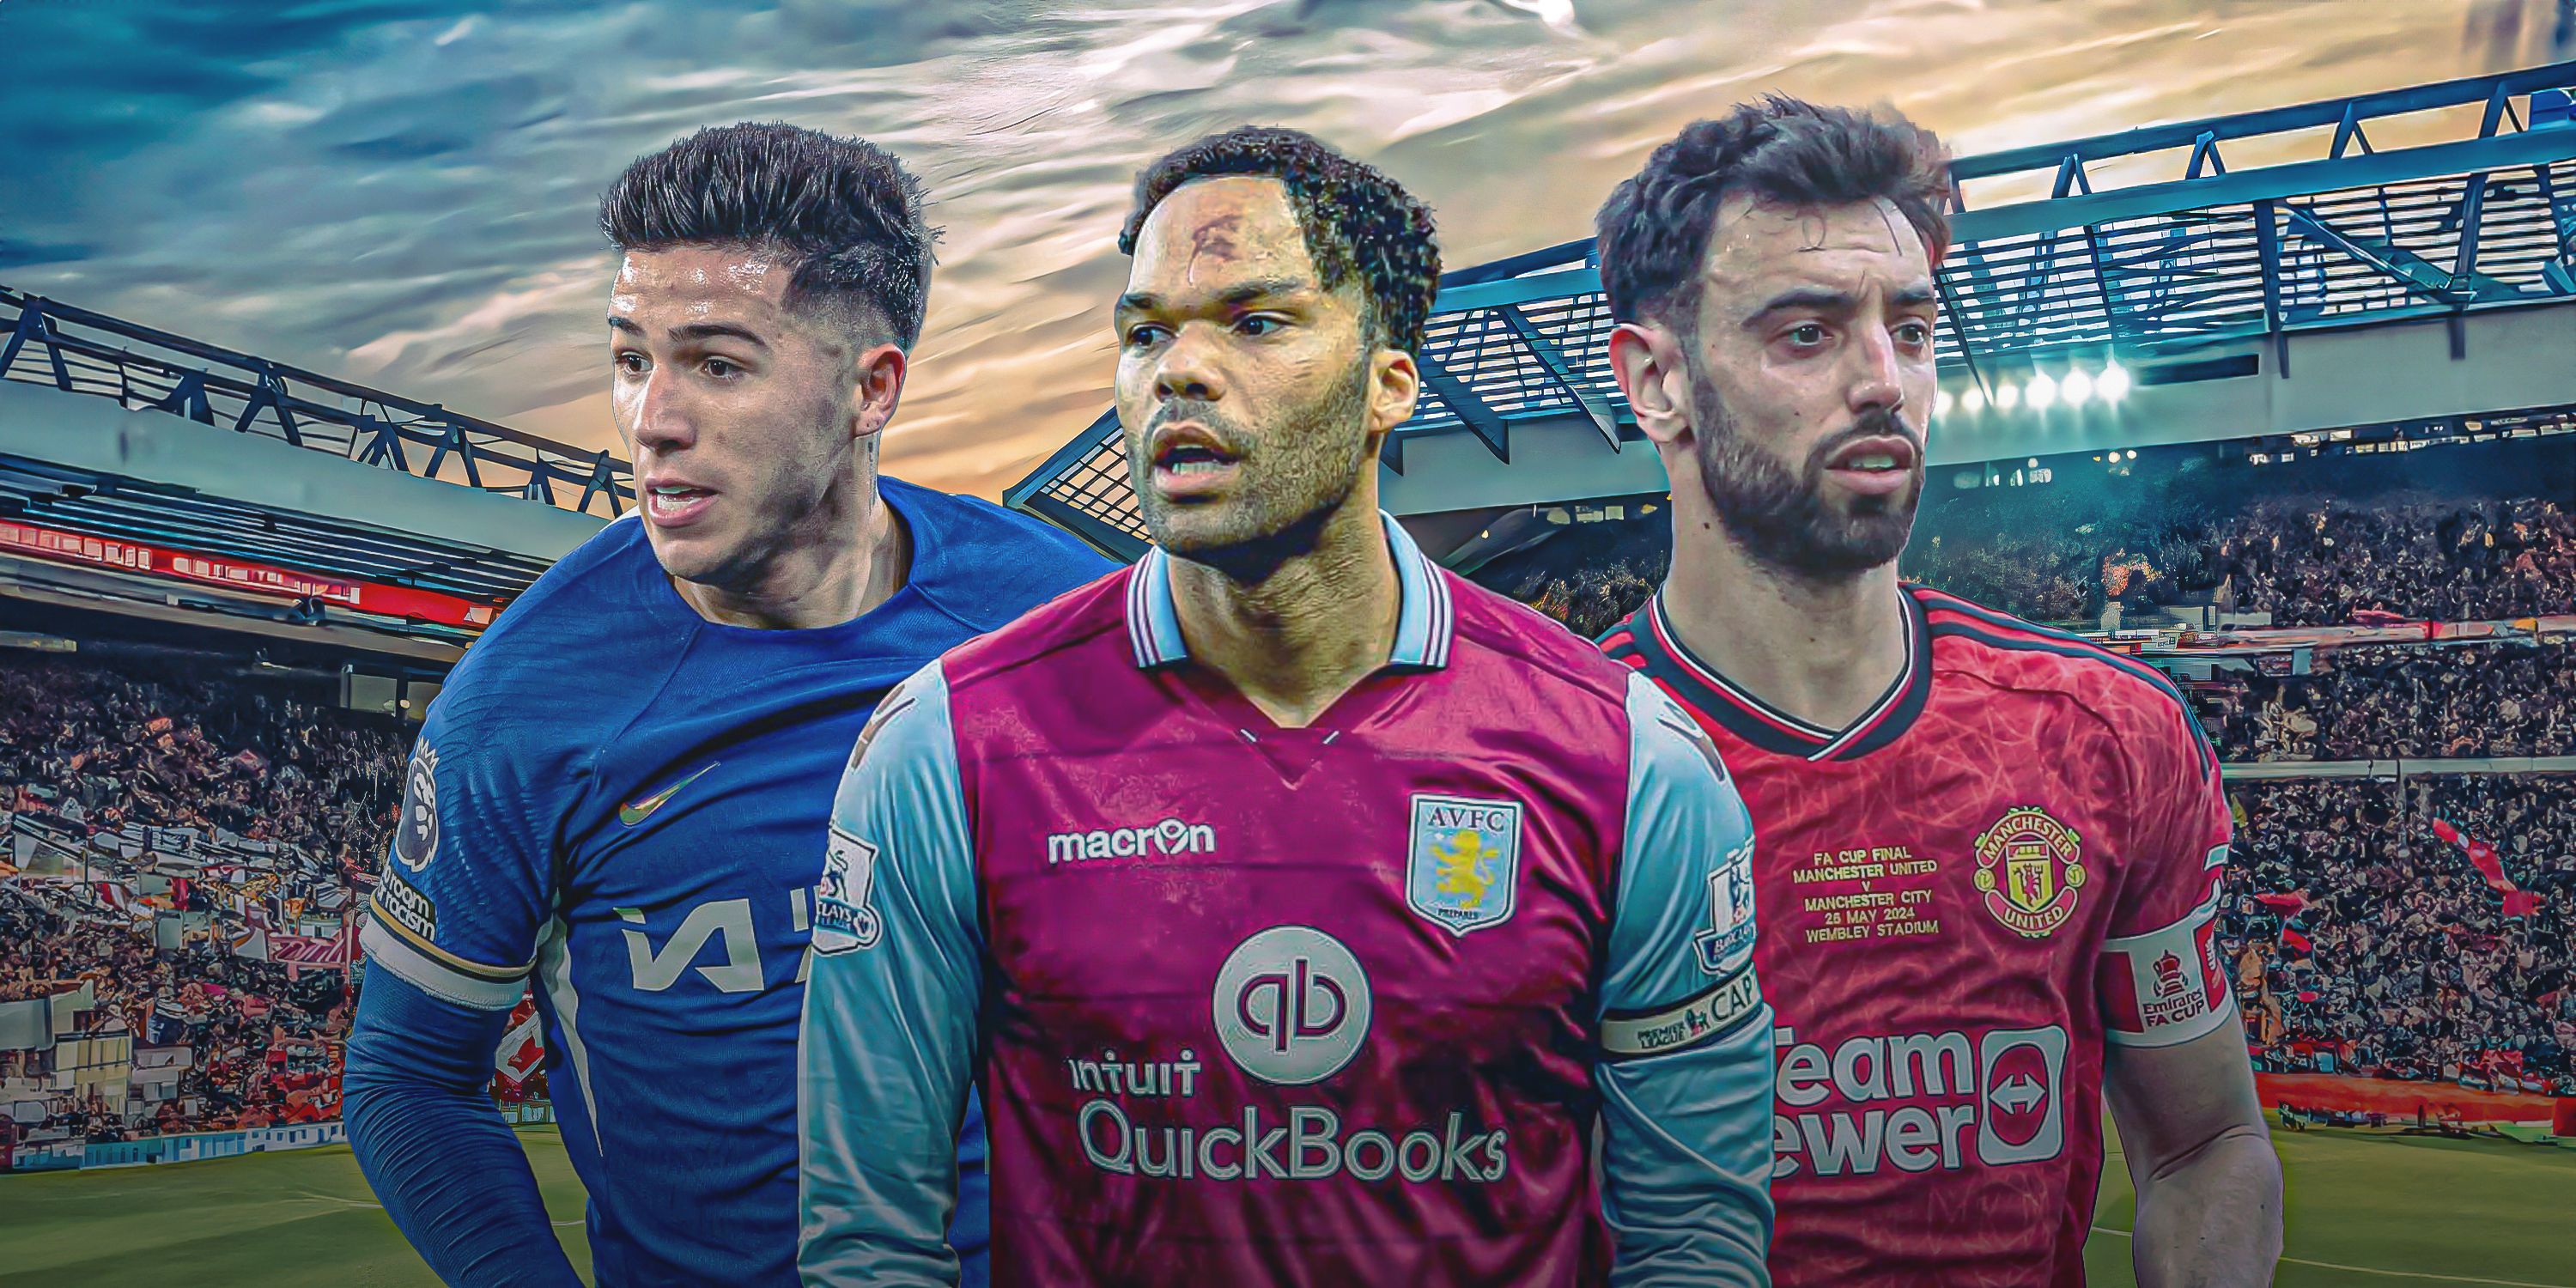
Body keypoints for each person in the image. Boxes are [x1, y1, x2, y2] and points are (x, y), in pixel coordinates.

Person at [797, 126, 1776, 1286]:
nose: (1180, 370)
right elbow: (872, 1246)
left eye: (1256, 322)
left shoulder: (1626, 757)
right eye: (1147, 331)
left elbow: (1694, 1243)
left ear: (1389, 384)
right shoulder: (947, 746)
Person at [342, 123, 1110, 1287]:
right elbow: (407, 1078)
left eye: (716, 362)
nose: (651, 419)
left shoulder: (1061, 620)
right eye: (631, 357)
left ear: (872, 389)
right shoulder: (525, 698)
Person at [1591, 97, 2283, 1287]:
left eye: (1910, 331)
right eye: (1807, 333)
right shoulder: (1548, 763)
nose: (1883, 382)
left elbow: (2208, 1142)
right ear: (1657, 382)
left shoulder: (2105, 738)